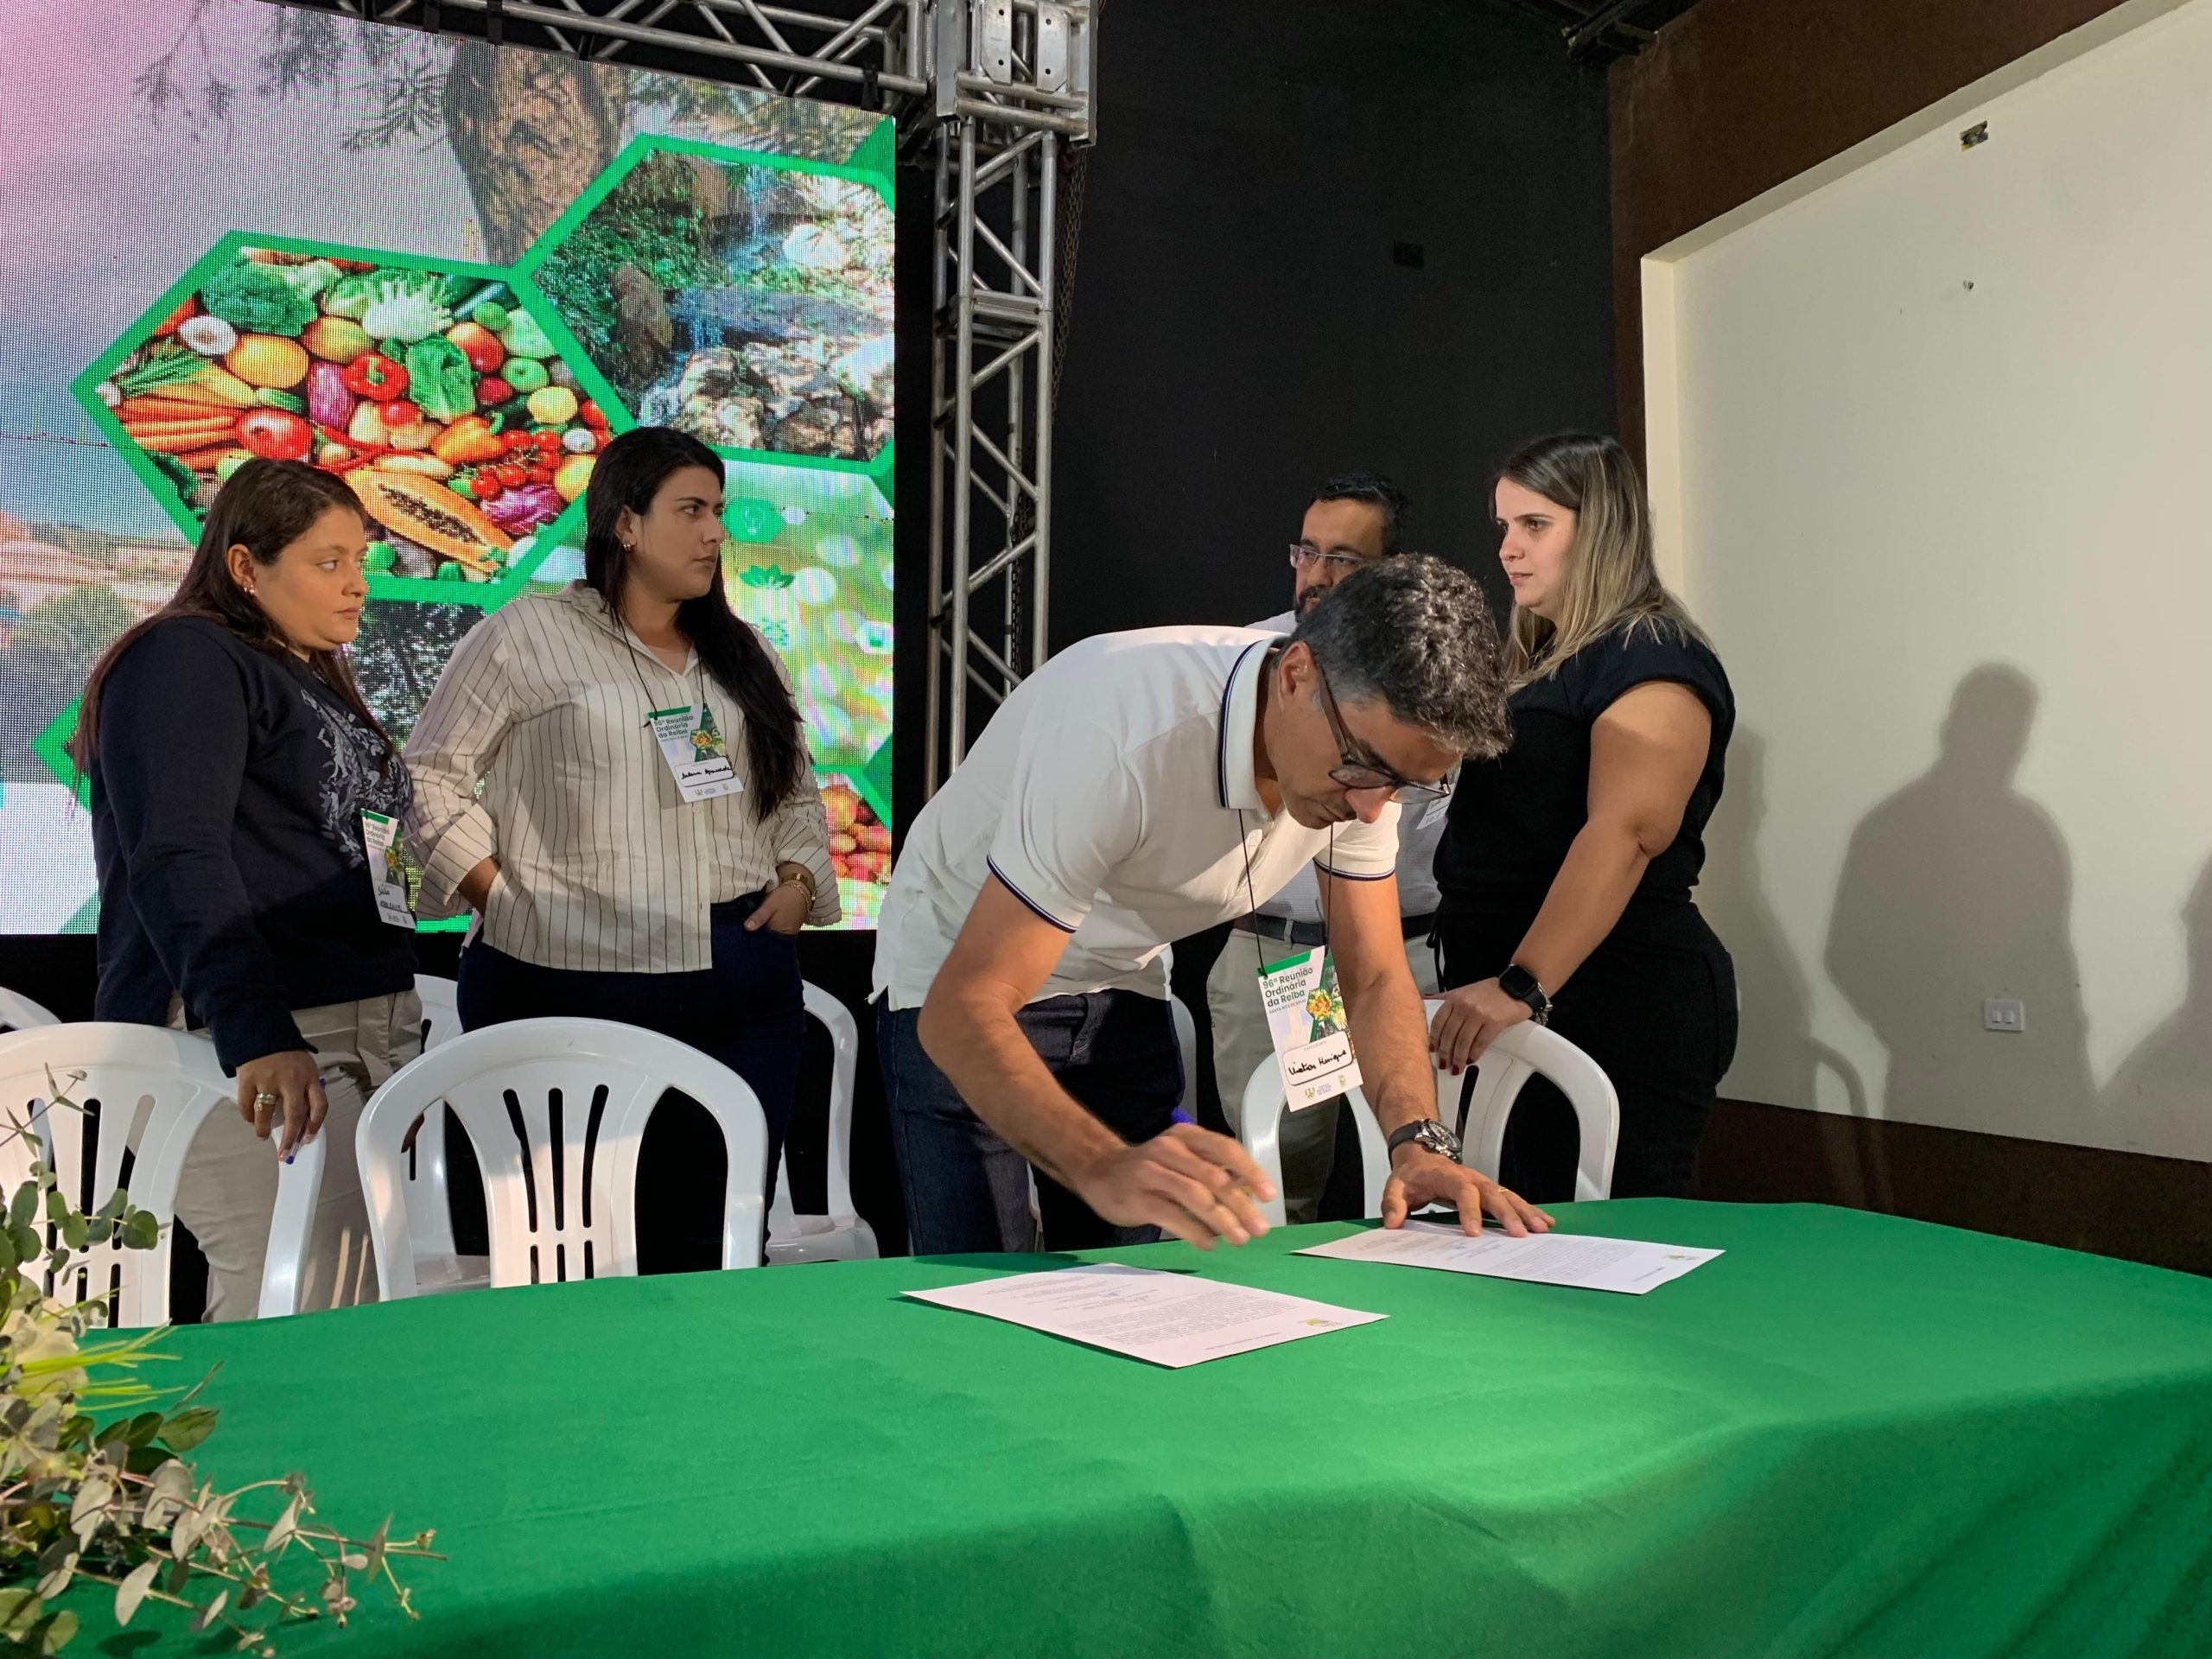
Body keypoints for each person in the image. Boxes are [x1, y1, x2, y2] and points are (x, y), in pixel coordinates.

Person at [876, 556, 1554, 1255]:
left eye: (1406, 785)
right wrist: (1100, 1165)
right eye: (1362, 767)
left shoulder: (1364, 760)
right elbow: (964, 1006)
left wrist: (1419, 1145)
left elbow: (1376, 975)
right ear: (1295, 676)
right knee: (981, 1270)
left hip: (1121, 973)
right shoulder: (1123, 732)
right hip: (961, 968)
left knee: (1135, 1274)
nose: (1371, 809)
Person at [404, 426, 840, 1272]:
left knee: (719, 1249)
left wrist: (794, 880)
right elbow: (428, 774)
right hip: (562, 977)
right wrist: (497, 892)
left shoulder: (741, 652)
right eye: (691, 510)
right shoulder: (527, 634)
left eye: (718, 512)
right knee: (563, 1252)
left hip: (736, 979)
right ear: (627, 524)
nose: (715, 533)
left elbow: (792, 792)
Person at [79, 458, 420, 1319]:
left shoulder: (305, 668)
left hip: (355, 1027)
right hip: (251, 1033)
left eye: (361, 561)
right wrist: (255, 1030)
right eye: (328, 562)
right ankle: (222, 1426)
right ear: (244, 566)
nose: (358, 585)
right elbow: (179, 854)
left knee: (346, 1301)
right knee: (297, 1300)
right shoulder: (184, 656)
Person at [1430, 433, 1737, 1200]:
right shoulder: (1543, 659)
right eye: (1504, 526)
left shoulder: (1651, 653)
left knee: (1612, 1236)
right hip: (1523, 1003)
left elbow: (1627, 833)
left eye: (1535, 525)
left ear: (1601, 529)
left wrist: (1523, 984)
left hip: (1619, 999)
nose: (1508, 548)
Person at [1205, 473, 1452, 1223]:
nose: (1316, 575)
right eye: (1306, 552)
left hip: (1403, 954)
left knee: (1422, 1171)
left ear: (1390, 572)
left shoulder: (1431, 673)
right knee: (1283, 1182)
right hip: (1288, 959)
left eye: (1342, 559)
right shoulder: (1253, 662)